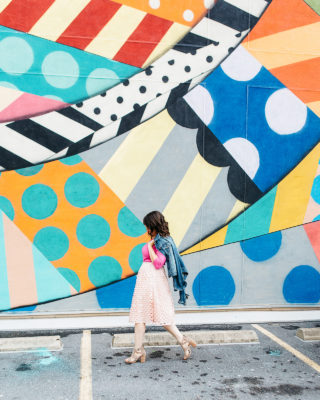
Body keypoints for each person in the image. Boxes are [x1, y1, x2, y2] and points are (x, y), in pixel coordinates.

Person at [125, 210, 196, 364]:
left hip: (154, 280)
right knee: (140, 316)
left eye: (147, 226)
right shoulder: (156, 240)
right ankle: (138, 351)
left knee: (161, 315)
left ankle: (182, 341)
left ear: (152, 225)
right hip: (145, 280)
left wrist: (150, 247)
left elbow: (158, 263)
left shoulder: (163, 242)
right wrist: (151, 244)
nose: (146, 229)